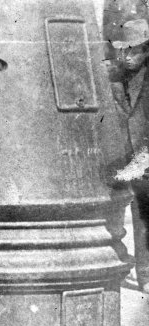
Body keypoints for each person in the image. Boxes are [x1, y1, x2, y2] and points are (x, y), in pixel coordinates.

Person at [109, 19, 149, 293]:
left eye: (134, 50)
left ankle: (145, 275)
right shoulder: (114, 77)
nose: (128, 57)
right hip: (120, 158)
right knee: (113, 215)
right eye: (124, 51)